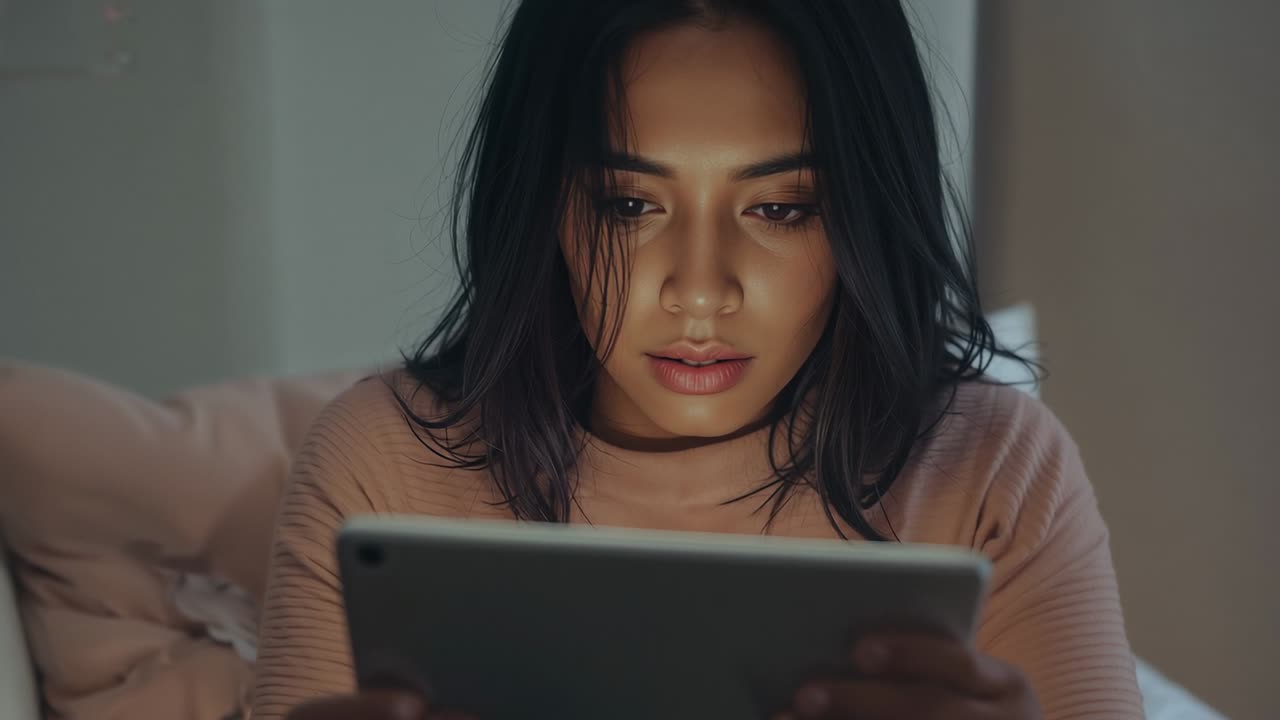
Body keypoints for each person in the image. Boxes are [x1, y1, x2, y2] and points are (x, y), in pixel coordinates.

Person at [250, 1, 1143, 718]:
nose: (702, 293)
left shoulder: (993, 467)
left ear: (864, 220)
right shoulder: (382, 467)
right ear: (543, 205)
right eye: (629, 205)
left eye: (781, 208)